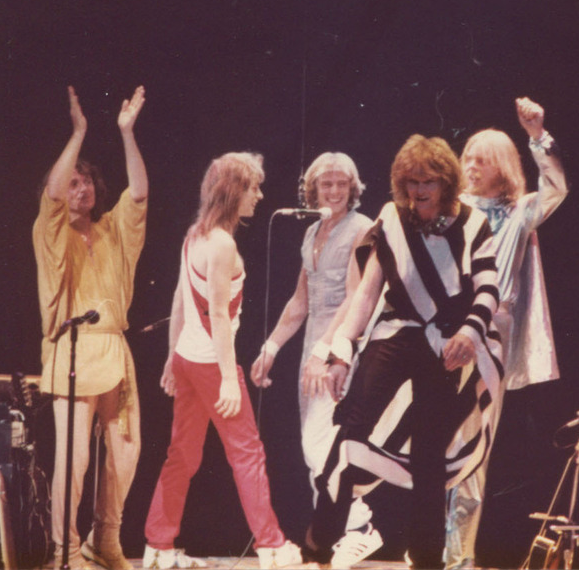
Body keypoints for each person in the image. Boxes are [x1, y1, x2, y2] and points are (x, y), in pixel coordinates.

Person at [306, 135, 502, 570]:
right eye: (412, 181)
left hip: (446, 344)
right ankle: (320, 543)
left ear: (445, 182)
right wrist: (341, 354)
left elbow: (489, 289)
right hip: (395, 335)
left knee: (430, 455)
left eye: (428, 181)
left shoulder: (473, 224)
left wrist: (469, 332)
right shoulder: (392, 218)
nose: (419, 189)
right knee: (350, 431)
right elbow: (366, 293)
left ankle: (427, 561)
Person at [143, 152, 307, 570]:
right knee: (247, 453)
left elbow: (180, 299)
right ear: (234, 191)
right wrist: (230, 380)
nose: (259, 195)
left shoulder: (195, 235)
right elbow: (217, 314)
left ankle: (158, 547)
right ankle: (271, 546)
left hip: (188, 360)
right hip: (211, 366)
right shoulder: (221, 243)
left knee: (182, 454)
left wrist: (171, 357)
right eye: (254, 187)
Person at [444, 97, 568, 569]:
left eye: (482, 160)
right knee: (433, 441)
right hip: (444, 331)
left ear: (502, 168)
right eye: (468, 158)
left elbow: (556, 187)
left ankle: (458, 558)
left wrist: (538, 136)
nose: (471, 167)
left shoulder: (520, 211)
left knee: (472, 446)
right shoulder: (451, 210)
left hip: (490, 337)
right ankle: (430, 549)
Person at [249, 153, 383, 567]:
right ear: (313, 189)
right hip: (313, 345)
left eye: (342, 184)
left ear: (353, 188)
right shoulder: (311, 233)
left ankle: (360, 527)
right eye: (327, 184)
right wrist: (271, 348)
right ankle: (333, 535)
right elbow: (300, 301)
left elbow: (355, 297)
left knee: (322, 441)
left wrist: (325, 352)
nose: (335, 191)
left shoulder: (361, 228)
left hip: (340, 346)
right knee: (315, 445)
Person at [33, 85, 147, 570]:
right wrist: (78, 132)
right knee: (75, 458)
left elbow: (138, 194)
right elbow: (52, 194)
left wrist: (127, 133)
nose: (83, 189)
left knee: (125, 453)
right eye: (74, 183)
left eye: (88, 182)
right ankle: (64, 550)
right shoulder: (51, 231)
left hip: (114, 350)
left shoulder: (112, 229)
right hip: (73, 349)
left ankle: (106, 540)